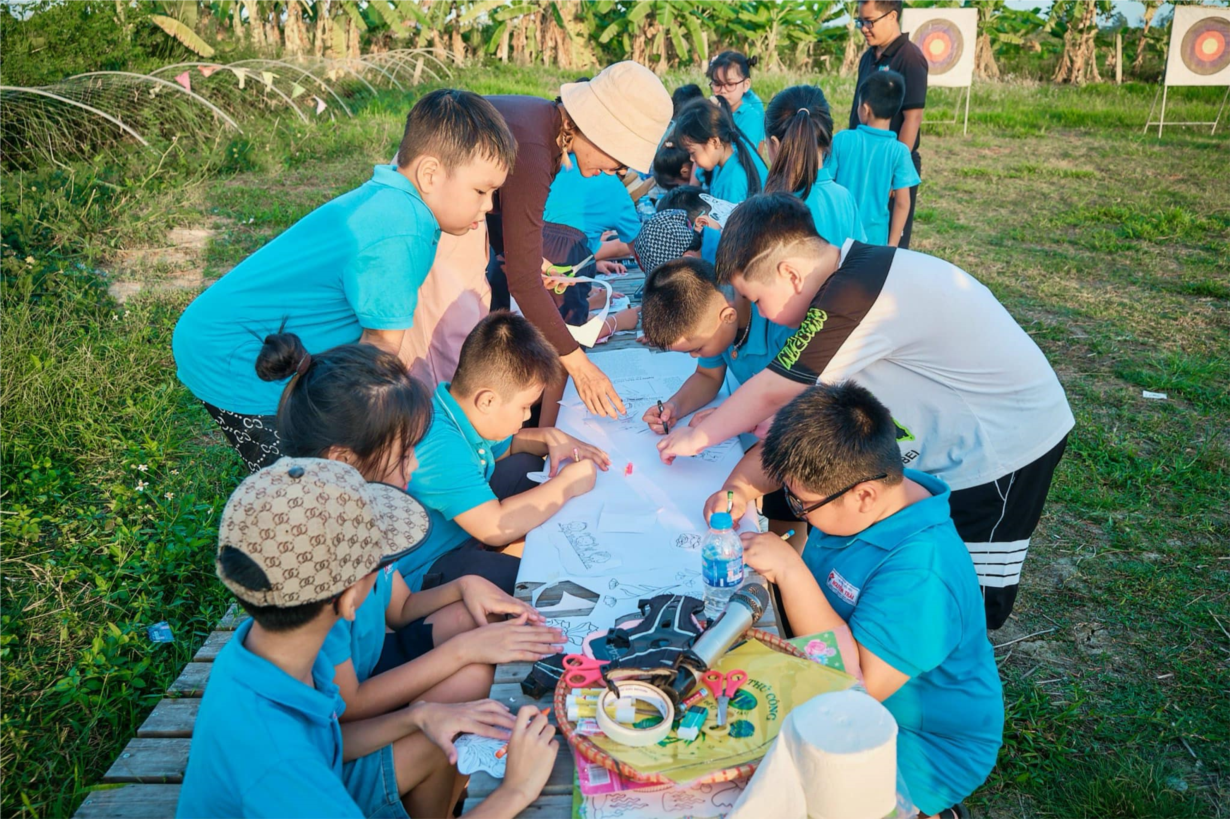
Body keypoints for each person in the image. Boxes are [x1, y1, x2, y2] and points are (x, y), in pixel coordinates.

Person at [659, 195, 1074, 628]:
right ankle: (908, 642)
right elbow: (801, 426)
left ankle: (950, 655)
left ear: (790, 274)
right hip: (951, 435)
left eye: (757, 299)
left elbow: (771, 393)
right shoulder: (850, 282)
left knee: (969, 591)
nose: (762, 313)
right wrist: (740, 487)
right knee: (924, 565)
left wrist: (699, 437)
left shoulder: (854, 294)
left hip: (1006, 443)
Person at [177, 457, 559, 819]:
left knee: (441, 737)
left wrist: (419, 716)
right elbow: (302, 763)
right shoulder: (284, 770)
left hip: (321, 773)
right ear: (348, 601)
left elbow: (329, 741)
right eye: (380, 564)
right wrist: (516, 790)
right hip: (314, 789)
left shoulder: (272, 650)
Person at [172, 89, 514, 472]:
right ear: (430, 174)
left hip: (234, 334)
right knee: (305, 481)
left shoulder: (395, 203)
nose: (488, 206)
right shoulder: (402, 231)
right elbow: (377, 355)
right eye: (481, 191)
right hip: (234, 353)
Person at [720, 383, 1003, 817]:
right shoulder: (863, 497)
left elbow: (857, 688)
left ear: (864, 495)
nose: (797, 510)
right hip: (835, 677)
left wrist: (790, 570)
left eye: (803, 503)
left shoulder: (924, 573)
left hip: (921, 746)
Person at [255, 334, 566, 724]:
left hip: (376, 657)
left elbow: (400, 609)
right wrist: (464, 651)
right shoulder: (317, 566)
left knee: (487, 625)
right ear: (344, 459)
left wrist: (464, 586)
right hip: (350, 707)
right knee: (476, 673)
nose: (415, 466)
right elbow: (348, 707)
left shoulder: (371, 510)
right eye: (403, 453)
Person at [484, 62, 672, 423]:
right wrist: (581, 367)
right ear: (601, 132)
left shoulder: (546, 130)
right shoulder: (535, 147)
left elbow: (504, 219)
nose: (618, 172)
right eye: (620, 160)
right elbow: (522, 280)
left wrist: (535, 261)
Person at [404, 312, 610, 595]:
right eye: (524, 407)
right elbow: (493, 527)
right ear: (487, 401)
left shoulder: (456, 411)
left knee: (526, 465)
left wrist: (550, 437)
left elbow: (509, 447)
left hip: (459, 530)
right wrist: (567, 485)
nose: (526, 417)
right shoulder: (441, 449)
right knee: (524, 579)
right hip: (424, 567)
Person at [640, 257, 793, 432]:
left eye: (697, 349)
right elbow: (708, 376)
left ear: (728, 317)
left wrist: (729, 418)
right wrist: (675, 406)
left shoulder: (784, 324)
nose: (694, 356)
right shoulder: (716, 323)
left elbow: (801, 402)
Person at [850, 0, 929, 247]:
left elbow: (912, 118)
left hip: (890, 162)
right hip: (862, 161)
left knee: (889, 243)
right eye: (860, 22)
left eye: (870, 21)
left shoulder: (910, 58)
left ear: (892, 16)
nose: (864, 28)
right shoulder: (867, 57)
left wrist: (894, 171)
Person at [763, 85, 866, 247]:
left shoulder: (772, 205)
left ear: (775, 144)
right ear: (827, 141)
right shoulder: (845, 198)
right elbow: (859, 256)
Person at [829, 71, 919, 247]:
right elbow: (902, 203)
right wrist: (892, 245)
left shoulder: (841, 139)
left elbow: (825, 182)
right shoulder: (899, 152)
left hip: (837, 235)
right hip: (875, 242)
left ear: (865, 109)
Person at [544, 152, 641, 261]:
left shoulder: (559, 159)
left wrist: (595, 263)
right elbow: (640, 250)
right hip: (560, 264)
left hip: (535, 254)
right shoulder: (615, 190)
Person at [673, 97, 768, 204]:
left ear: (714, 142)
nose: (691, 159)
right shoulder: (725, 156)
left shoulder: (733, 181)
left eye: (692, 152)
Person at [707, 51, 767, 157]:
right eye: (717, 84)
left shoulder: (752, 117)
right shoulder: (710, 112)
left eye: (730, 84)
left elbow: (740, 157)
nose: (723, 90)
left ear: (746, 85)